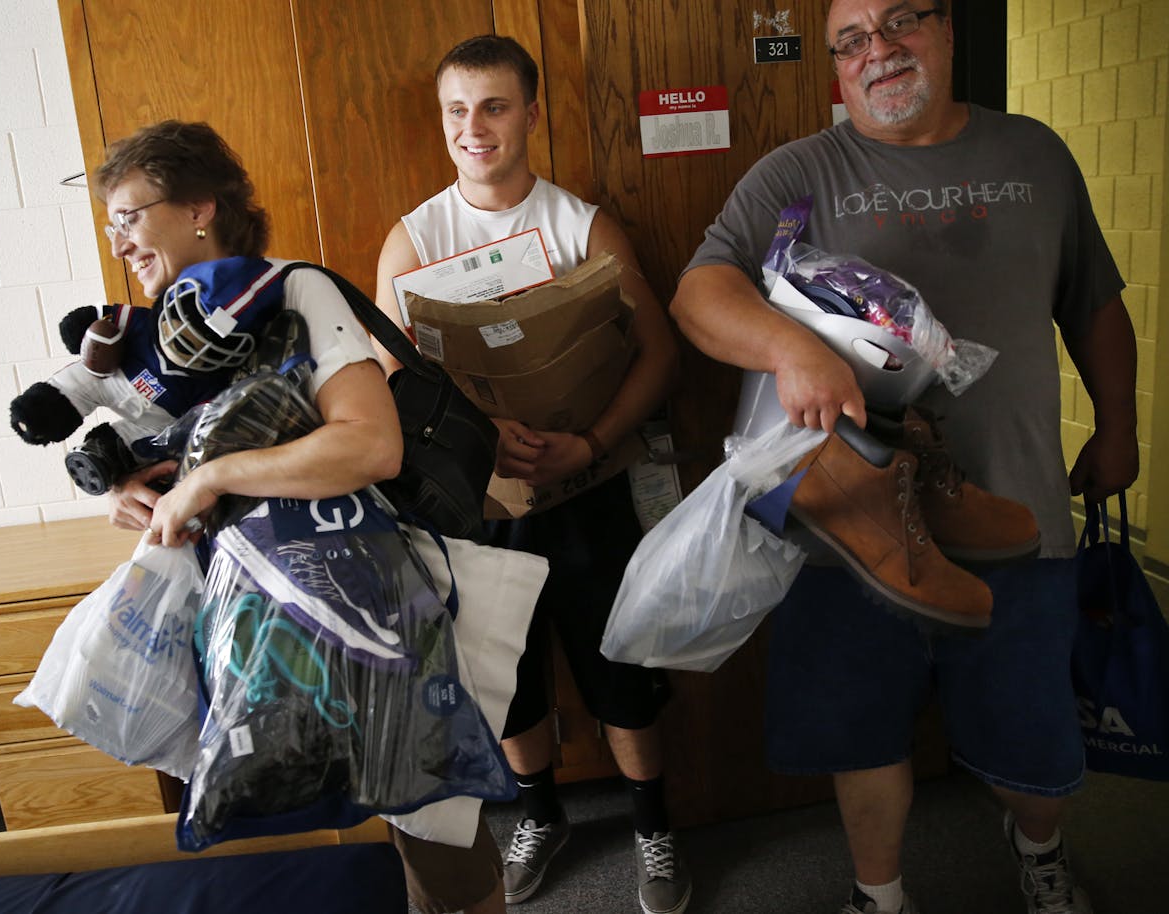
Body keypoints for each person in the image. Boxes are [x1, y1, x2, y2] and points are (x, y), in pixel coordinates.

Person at [669, 3, 1139, 913]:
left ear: (948, 30)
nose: (877, 50)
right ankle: (877, 893)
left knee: (1032, 744)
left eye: (900, 22)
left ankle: (1038, 852)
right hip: (851, 522)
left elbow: (1095, 303)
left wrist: (1117, 430)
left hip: (1016, 510)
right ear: (836, 67)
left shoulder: (1034, 155)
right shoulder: (799, 172)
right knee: (863, 733)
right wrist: (788, 348)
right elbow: (700, 292)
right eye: (851, 40)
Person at [93, 120, 501, 913]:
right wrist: (134, 491)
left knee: (428, 820)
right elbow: (153, 453)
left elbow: (371, 446)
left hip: (362, 603)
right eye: (111, 225)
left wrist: (211, 479)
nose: (119, 243)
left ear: (200, 207)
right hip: (244, 616)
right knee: (295, 842)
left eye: (131, 217)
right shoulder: (154, 337)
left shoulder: (293, 290)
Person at [373, 35, 688, 914]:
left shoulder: (579, 224)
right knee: (506, 678)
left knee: (618, 664)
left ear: (532, 115)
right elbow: (385, 378)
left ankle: (652, 827)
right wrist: (475, 434)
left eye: (495, 106)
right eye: (457, 110)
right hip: (478, 504)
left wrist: (588, 443)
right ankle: (539, 814)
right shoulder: (414, 237)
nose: (474, 128)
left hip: (588, 488)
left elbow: (659, 357)